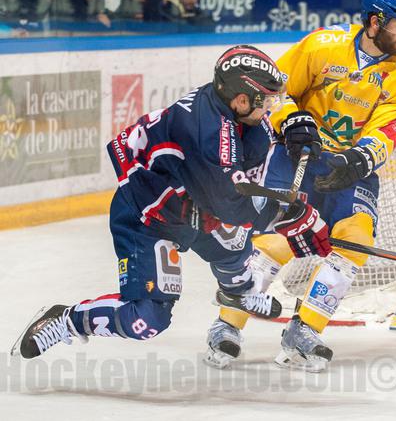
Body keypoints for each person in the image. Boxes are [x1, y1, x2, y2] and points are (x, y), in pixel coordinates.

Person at [13, 45, 332, 361]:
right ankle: (67, 320)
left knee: (233, 236)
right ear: (241, 99)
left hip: (189, 201)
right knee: (147, 319)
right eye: (267, 100)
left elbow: (241, 180)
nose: (271, 106)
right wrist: (287, 216)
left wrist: (291, 124)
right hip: (148, 216)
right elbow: (231, 206)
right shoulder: (207, 134)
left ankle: (239, 291)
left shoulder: (231, 108)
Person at [200, 0, 396, 372]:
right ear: (375, 22)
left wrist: (357, 160)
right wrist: (291, 120)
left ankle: (304, 330)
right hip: (296, 157)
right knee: (278, 238)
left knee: (355, 241)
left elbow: (387, 132)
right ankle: (227, 325)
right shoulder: (323, 45)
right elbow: (273, 90)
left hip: (350, 168)